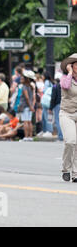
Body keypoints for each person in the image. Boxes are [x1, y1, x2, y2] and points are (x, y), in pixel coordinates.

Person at [59, 53, 77, 182]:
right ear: (71, 66)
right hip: (67, 113)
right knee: (70, 141)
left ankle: (75, 173)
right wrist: (70, 73)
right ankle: (66, 168)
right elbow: (65, 86)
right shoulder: (65, 78)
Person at [18, 70, 36, 141]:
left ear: (27, 79)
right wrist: (32, 106)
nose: (22, 78)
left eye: (24, 77)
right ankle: (30, 137)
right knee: (29, 121)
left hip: (25, 106)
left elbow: (27, 97)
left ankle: (26, 136)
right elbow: (33, 98)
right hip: (30, 106)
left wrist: (30, 106)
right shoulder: (31, 86)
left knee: (25, 121)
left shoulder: (24, 87)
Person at [38, 72, 54, 137]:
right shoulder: (50, 82)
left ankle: (49, 131)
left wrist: (41, 91)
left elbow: (45, 91)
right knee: (45, 116)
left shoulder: (46, 82)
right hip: (48, 101)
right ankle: (45, 130)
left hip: (46, 101)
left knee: (46, 116)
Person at [50, 72, 63, 141]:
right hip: (64, 104)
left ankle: (60, 136)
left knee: (58, 121)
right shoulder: (63, 86)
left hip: (57, 105)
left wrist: (50, 107)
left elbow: (53, 97)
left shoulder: (55, 86)